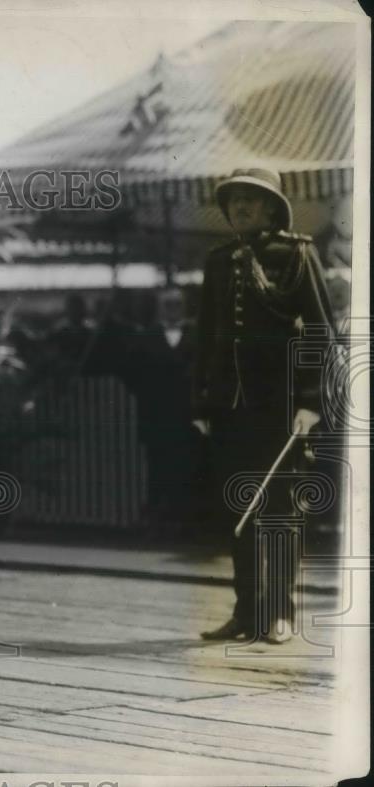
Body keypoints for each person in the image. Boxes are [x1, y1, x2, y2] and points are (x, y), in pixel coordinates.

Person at [193, 168, 337, 644]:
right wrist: (204, 400)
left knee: (280, 513)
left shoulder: (297, 254)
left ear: (273, 208)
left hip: (283, 410)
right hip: (231, 409)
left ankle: (279, 614)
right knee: (241, 513)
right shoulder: (219, 261)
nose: (241, 208)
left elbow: (320, 332)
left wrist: (312, 402)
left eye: (252, 200)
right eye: (234, 201)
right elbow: (206, 336)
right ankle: (247, 613)